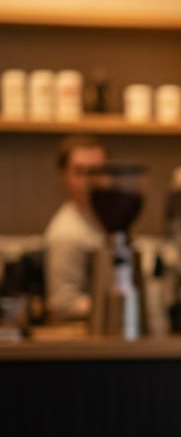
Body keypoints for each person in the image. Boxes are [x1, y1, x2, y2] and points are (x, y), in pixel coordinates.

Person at [43, 135, 107, 321]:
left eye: (96, 171)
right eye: (80, 172)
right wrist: (116, 306)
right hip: (83, 340)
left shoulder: (101, 220)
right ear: (64, 175)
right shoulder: (66, 233)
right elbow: (64, 303)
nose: (89, 180)